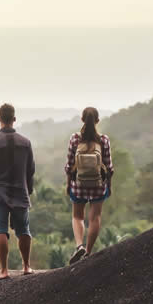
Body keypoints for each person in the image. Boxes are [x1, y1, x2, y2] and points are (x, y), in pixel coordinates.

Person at [0, 103, 36, 281]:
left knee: (1, 230)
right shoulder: (25, 143)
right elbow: (30, 170)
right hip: (20, 191)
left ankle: (3, 270)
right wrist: (29, 189)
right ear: (14, 119)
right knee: (24, 230)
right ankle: (26, 266)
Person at [64, 107, 114, 265]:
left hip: (78, 184)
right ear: (97, 121)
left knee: (77, 216)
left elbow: (69, 165)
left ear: (82, 120)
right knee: (95, 217)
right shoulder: (104, 140)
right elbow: (109, 167)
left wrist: (68, 184)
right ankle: (88, 252)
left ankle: (79, 245)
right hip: (98, 185)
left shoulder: (74, 139)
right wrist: (109, 186)